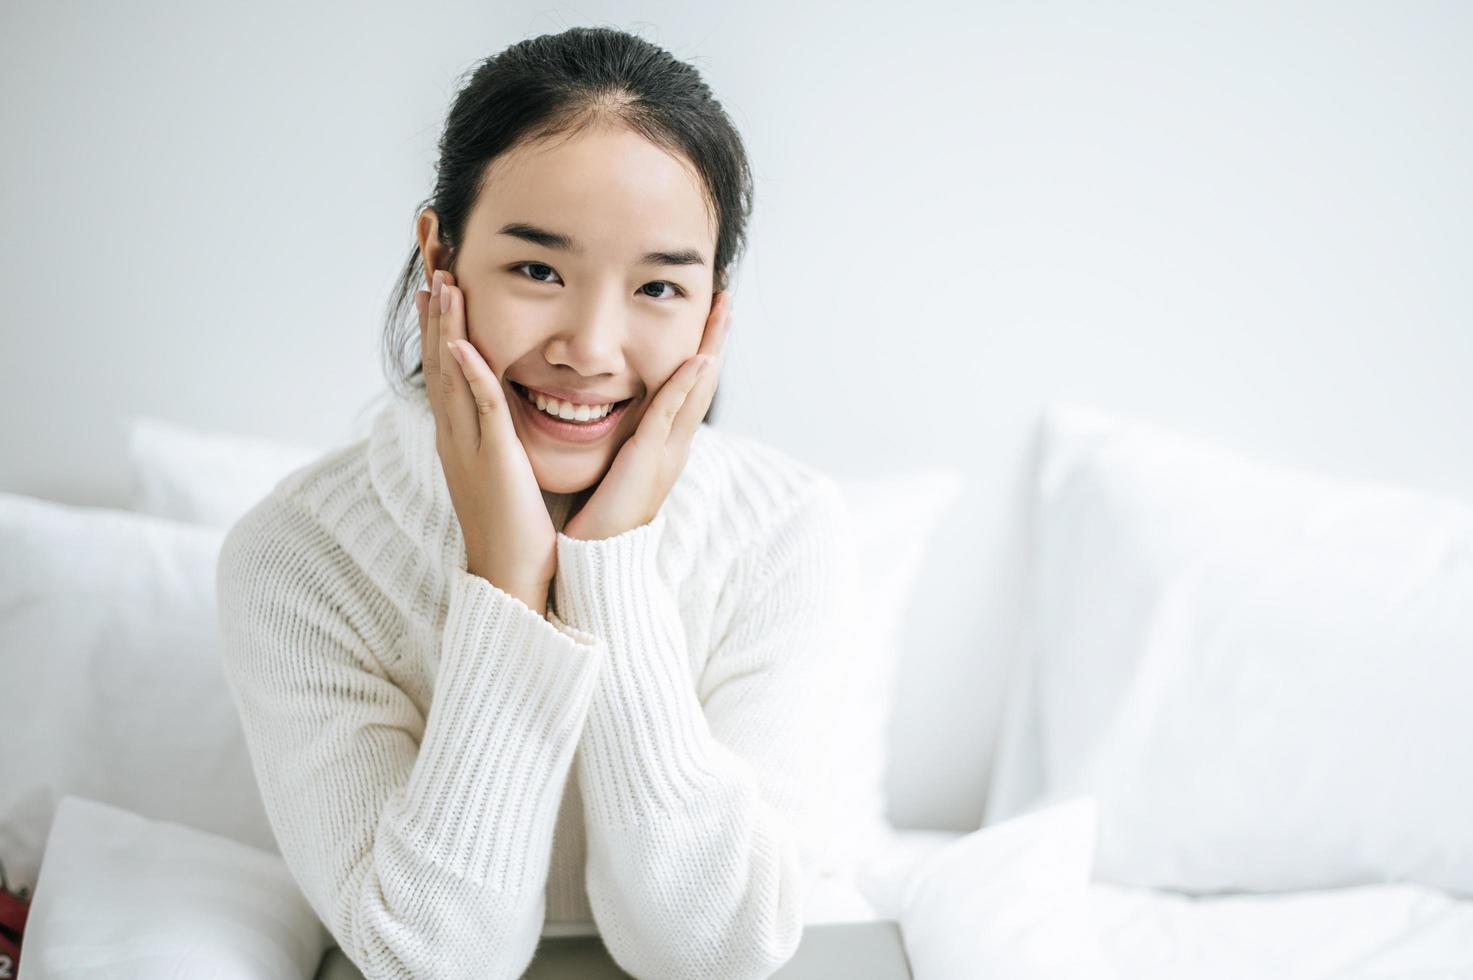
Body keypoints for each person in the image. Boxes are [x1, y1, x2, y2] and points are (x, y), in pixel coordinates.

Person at [217, 25, 861, 980]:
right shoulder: (300, 557)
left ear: (712, 305)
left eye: (657, 285)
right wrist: (505, 588)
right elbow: (430, 964)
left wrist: (611, 568)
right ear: (440, 255)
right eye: (538, 270)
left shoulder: (782, 530)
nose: (591, 348)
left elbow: (713, 955)